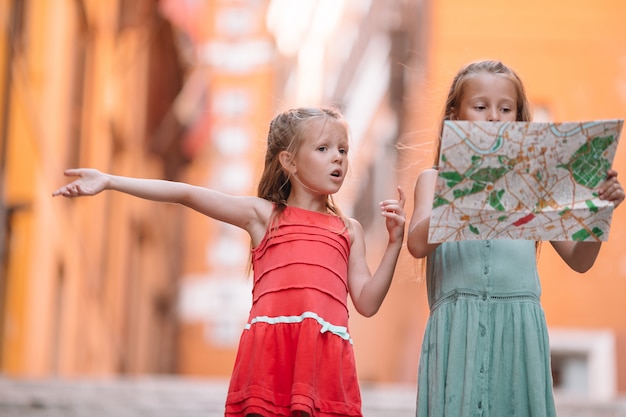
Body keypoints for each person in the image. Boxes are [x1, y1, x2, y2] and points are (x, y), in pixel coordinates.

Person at [53, 106, 406, 417]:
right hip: (272, 354)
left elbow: (367, 302)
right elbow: (187, 194)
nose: (338, 158)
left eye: (343, 150)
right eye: (324, 148)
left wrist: (394, 244)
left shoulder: (349, 229)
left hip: (324, 358)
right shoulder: (262, 215)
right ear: (289, 162)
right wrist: (110, 181)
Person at [407, 60, 625, 417]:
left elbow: (579, 260)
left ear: (519, 119)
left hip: (518, 335)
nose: (494, 117)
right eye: (480, 107)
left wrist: (599, 211)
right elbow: (416, 244)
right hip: (457, 336)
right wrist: (469, 184)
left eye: (505, 109)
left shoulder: (535, 185)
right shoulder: (433, 179)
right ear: (454, 116)